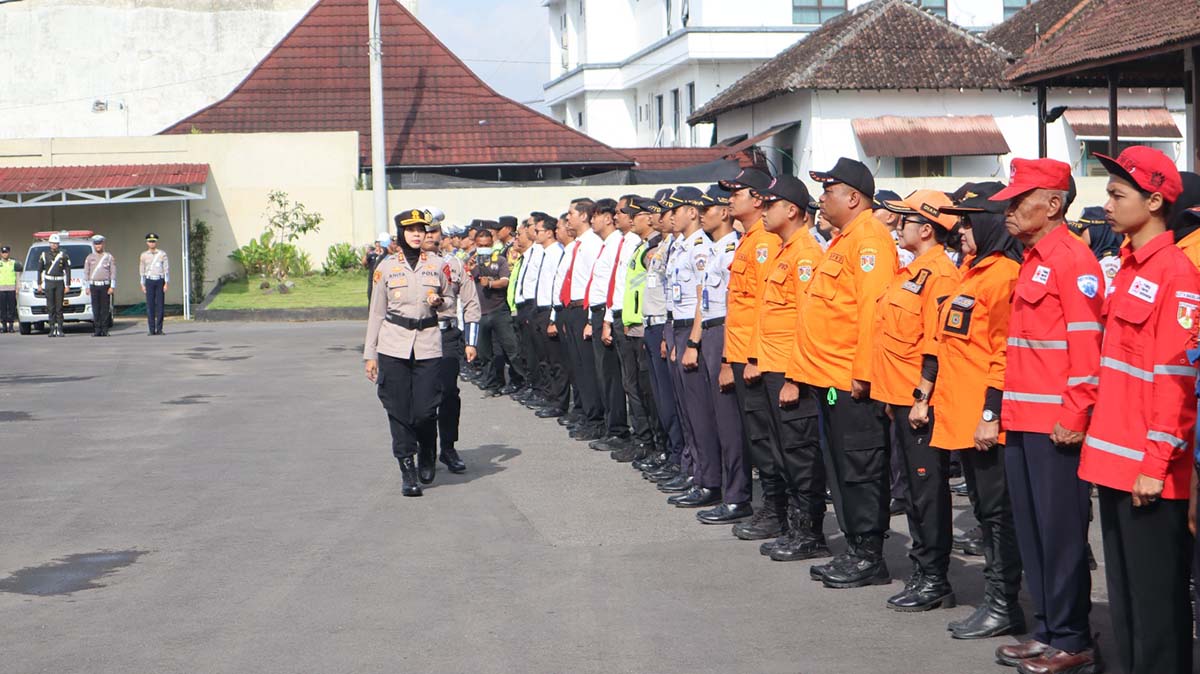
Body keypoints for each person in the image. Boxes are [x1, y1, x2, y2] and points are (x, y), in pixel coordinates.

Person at [1080, 147, 1195, 674]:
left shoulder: (1178, 274)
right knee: (1125, 599)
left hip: (1149, 470)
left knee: (1157, 608)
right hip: (1113, 460)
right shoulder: (1126, 266)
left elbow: (1177, 380)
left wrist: (1155, 463)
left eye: (1116, 194)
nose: (1106, 203)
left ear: (1154, 200)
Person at [990, 158, 1103, 673]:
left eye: (1019, 200)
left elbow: (1087, 346)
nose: (1009, 211)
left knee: (1060, 535)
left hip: (1056, 424)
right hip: (1022, 418)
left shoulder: (1071, 260)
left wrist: (1076, 413)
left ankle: (1074, 639)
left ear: (1053, 204)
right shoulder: (1034, 257)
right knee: (1033, 532)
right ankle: (1048, 629)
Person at [913, 183, 1026, 638]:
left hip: (984, 417)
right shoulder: (971, 272)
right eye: (958, 222)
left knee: (998, 515)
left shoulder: (1002, 276)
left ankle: (1004, 603)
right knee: (984, 511)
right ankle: (995, 601)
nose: (960, 230)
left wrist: (989, 413)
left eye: (968, 221)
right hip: (959, 412)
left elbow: (1002, 352)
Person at [792, 157, 898, 589]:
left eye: (829, 190)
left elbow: (874, 311)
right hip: (829, 378)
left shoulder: (869, 240)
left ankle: (869, 555)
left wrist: (863, 373)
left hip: (851, 381)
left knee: (860, 467)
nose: (821, 198)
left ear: (853, 197)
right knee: (842, 468)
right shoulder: (843, 240)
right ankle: (855, 547)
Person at [867, 190, 962, 609]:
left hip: (919, 401)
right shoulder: (913, 271)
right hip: (900, 397)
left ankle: (934, 576)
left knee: (927, 490)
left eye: (905, 220)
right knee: (914, 491)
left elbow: (935, 343)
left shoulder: (940, 273)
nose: (898, 225)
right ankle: (924, 568)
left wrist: (922, 396)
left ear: (926, 229)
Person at [752, 175, 829, 555]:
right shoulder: (785, 250)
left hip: (791, 371)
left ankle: (811, 534)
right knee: (784, 451)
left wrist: (795, 378)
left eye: (770, 205)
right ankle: (797, 528)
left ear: (792, 210)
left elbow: (807, 319)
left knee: (801, 453)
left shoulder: (805, 255)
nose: (763, 211)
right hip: (773, 367)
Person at [716, 168, 788, 540]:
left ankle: (778, 512)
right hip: (743, 352)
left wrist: (755, 359)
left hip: (758, 358)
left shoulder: (766, 243)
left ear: (758, 199)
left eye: (736, 192)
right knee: (759, 438)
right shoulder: (748, 240)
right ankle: (772, 508)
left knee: (769, 438)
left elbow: (766, 305)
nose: (730, 198)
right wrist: (731, 357)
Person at [364, 209, 455, 497]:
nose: (418, 234)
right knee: (398, 408)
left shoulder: (439, 266)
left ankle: (428, 449)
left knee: (426, 410)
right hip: (393, 344)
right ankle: (408, 468)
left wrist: (439, 301)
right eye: (411, 229)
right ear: (400, 233)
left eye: (421, 229)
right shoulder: (387, 267)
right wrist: (371, 354)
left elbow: (451, 302)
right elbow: (376, 312)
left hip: (427, 342)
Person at [686, 183, 751, 519]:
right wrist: (694, 341)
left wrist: (726, 356)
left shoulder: (732, 251)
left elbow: (733, 306)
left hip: (725, 333)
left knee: (729, 423)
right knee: (714, 418)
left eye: (707, 209)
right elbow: (704, 301)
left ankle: (737, 496)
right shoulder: (712, 250)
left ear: (724, 213)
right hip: (710, 333)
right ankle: (723, 487)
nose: (701, 215)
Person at [418, 220, 480, 478]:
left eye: (435, 232)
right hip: (419, 334)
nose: (431, 236)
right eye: (426, 232)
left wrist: (471, 341)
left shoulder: (454, 264)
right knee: (422, 398)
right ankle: (426, 451)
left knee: (448, 394)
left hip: (447, 336)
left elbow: (471, 301)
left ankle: (448, 447)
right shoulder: (407, 265)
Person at [609, 196, 657, 462]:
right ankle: (643, 439)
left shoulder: (652, 247)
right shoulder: (640, 247)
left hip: (641, 324)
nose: (627, 218)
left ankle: (649, 443)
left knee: (642, 388)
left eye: (633, 214)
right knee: (633, 386)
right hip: (631, 323)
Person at [584, 198, 632, 452]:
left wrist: (606, 319)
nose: (592, 220)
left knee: (612, 375)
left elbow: (616, 285)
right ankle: (610, 425)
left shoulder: (618, 243)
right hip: (600, 312)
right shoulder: (607, 244)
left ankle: (618, 430)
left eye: (595, 215)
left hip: (608, 312)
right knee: (605, 374)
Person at [562, 199, 607, 442]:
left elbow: (596, 283)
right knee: (579, 368)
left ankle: (596, 419)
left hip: (584, 310)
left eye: (571, 213)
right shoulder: (576, 245)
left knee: (590, 369)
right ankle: (588, 414)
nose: (567, 218)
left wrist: (590, 318)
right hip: (572, 308)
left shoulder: (591, 244)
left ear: (583, 215)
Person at [472, 223, 524, 396]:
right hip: (480, 311)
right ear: (475, 245)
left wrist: (491, 283)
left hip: (499, 309)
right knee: (486, 352)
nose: (484, 249)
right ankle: (493, 382)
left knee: (511, 348)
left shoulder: (500, 260)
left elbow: (505, 281)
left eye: (487, 246)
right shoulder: (471, 263)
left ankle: (521, 381)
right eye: (480, 246)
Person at [1070, 206, 1122, 295]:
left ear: (1096, 231)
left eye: (1083, 229)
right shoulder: (1097, 258)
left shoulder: (1109, 264)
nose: (1080, 233)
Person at [38, 233, 71, 338]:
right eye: (52, 243)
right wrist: (39, 283)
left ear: (58, 244)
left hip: (59, 283)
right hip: (49, 282)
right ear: (49, 244)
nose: (54, 245)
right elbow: (39, 270)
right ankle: (52, 328)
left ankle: (60, 329)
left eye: (56, 244)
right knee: (50, 307)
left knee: (59, 307)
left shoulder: (63, 255)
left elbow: (68, 270)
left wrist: (68, 285)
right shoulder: (44, 255)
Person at [83, 234, 116, 337]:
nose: (98, 246)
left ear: (103, 244)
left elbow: (113, 272)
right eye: (96, 244)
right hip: (94, 286)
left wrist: (112, 286)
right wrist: (87, 287)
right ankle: (97, 330)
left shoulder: (109, 257)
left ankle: (105, 330)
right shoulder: (89, 257)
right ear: (94, 245)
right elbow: (86, 272)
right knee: (96, 308)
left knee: (105, 309)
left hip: (105, 286)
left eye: (100, 244)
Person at [139, 233, 169, 336]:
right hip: (149, 281)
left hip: (160, 280)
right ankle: (151, 329)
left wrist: (166, 283)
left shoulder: (162, 254)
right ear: (147, 242)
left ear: (156, 242)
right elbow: (142, 271)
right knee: (150, 306)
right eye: (150, 241)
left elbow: (166, 269)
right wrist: (142, 284)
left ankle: (159, 329)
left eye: (153, 241)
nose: (152, 243)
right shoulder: (144, 255)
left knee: (160, 305)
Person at [0, 245, 22, 333]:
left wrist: (18, 287)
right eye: (3, 253)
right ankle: (4, 326)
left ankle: (11, 326)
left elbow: (17, 275)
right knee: (2, 308)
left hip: (11, 288)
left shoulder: (14, 262)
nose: (5, 254)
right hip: (1, 289)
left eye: (6, 253)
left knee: (11, 308)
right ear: (1, 254)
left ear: (9, 253)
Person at [364, 233, 390, 300]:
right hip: (374, 279)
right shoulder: (373, 254)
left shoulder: (389, 256)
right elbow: (365, 263)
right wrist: (367, 253)